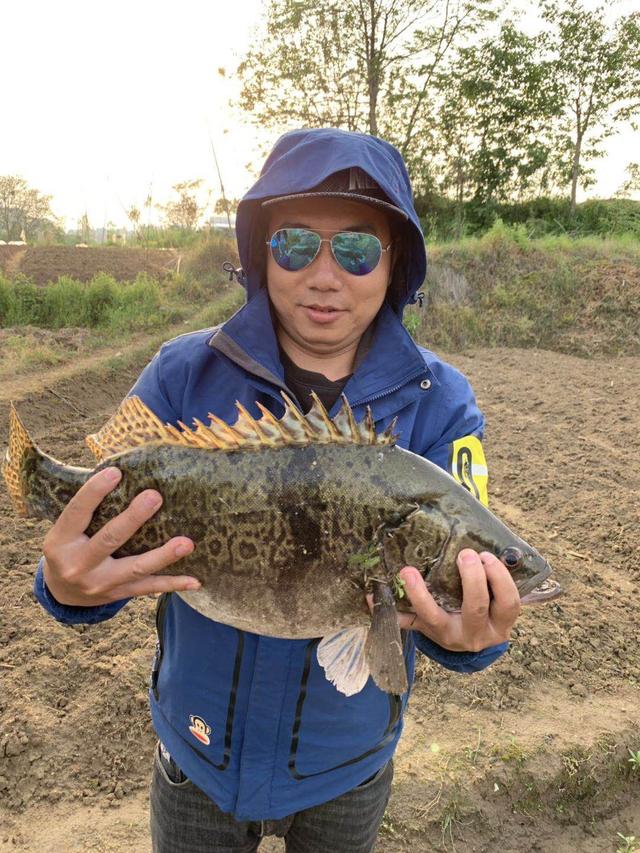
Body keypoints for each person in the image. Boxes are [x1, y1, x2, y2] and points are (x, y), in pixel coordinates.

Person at [33, 128, 522, 852]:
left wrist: (472, 640)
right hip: (195, 759)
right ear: (262, 252)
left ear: (396, 264)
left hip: (348, 772)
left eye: (356, 250)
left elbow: (457, 572)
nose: (325, 275)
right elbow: (98, 540)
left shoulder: (440, 404)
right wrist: (63, 586)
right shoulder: (182, 375)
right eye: (296, 245)